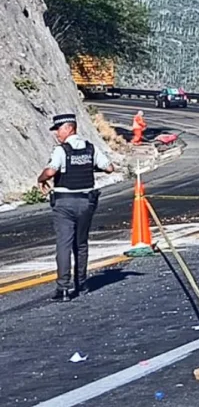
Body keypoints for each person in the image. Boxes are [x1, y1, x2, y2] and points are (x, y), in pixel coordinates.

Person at [37, 114, 114, 302]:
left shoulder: (61, 150)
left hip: (64, 202)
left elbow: (51, 170)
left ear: (70, 128)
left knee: (64, 244)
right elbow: (109, 168)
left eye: (58, 129)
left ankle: (63, 288)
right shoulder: (91, 148)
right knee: (81, 243)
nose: (56, 133)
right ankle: (82, 284)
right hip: (87, 202)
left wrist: (41, 179)